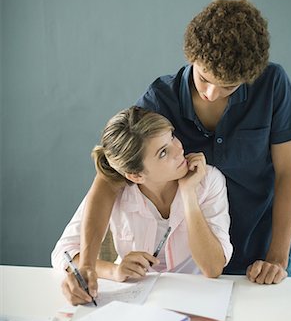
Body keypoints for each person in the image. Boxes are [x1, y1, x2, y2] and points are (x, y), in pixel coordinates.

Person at [58, 0, 291, 301]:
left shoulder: (273, 84)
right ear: (192, 56)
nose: (212, 94)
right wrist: (88, 266)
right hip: (198, 265)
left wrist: (277, 258)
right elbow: (110, 178)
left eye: (228, 86)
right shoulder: (161, 99)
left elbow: (288, 172)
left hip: (265, 248)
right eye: (204, 78)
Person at [52, 107, 233, 305]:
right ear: (136, 175)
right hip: (135, 299)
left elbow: (213, 268)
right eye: (163, 152)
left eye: (172, 137)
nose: (179, 149)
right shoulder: (116, 189)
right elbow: (64, 252)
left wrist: (189, 194)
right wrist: (114, 271)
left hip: (196, 298)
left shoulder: (208, 180)